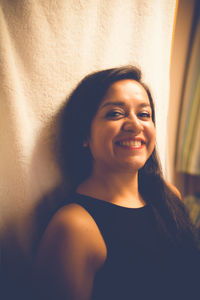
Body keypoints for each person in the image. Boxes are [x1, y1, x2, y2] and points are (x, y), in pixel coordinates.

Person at [33, 66, 200, 300]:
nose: (135, 125)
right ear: (83, 134)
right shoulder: (74, 227)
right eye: (115, 113)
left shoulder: (169, 195)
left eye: (144, 114)